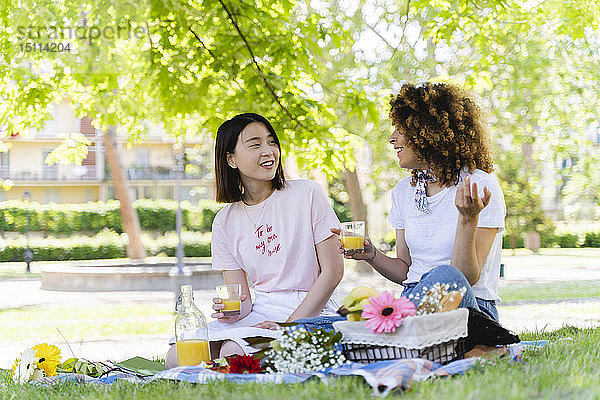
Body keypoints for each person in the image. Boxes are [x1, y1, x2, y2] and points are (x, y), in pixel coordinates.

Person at [166, 113, 343, 368]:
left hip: (312, 308)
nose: (268, 151)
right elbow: (243, 300)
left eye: (271, 142)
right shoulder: (225, 221)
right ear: (231, 159)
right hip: (261, 312)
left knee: (233, 353)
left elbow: (333, 272)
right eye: (255, 144)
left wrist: (288, 325)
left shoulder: (308, 193)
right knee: (177, 357)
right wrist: (234, 310)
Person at [336, 82, 506, 322]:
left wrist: (468, 217)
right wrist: (371, 253)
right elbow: (406, 269)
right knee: (320, 327)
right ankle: (388, 321)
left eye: (400, 129)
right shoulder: (404, 192)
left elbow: (464, 278)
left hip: (470, 309)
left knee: (446, 274)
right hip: (412, 302)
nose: (391, 138)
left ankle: (385, 320)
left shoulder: (478, 186)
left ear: (428, 131)